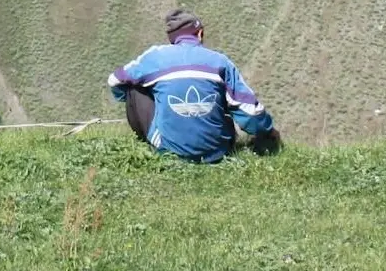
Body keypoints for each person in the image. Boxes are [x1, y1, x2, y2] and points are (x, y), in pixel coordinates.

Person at [107, 9, 278, 162]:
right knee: (224, 95)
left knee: (134, 89)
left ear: (172, 38)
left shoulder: (154, 57)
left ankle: (159, 140)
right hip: (218, 151)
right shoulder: (220, 61)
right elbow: (248, 110)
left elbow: (114, 80)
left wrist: (152, 98)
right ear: (200, 33)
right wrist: (268, 131)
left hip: (169, 149)